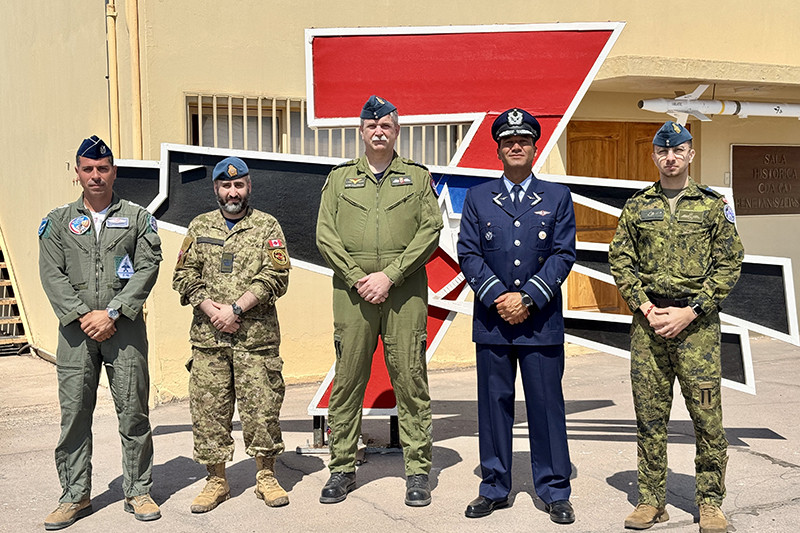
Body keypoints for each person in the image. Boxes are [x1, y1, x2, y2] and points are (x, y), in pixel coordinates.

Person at [609, 121, 744, 533]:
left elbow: (730, 263)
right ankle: (652, 500)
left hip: (697, 329)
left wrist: (692, 311)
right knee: (650, 417)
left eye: (678, 150)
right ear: (655, 156)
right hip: (649, 328)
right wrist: (645, 307)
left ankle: (710, 502)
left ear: (690, 155)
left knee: (706, 416)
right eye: (663, 152)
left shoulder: (712, 205)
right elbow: (620, 259)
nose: (670, 158)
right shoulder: (637, 206)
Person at [315, 95, 443, 506]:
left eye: (386, 125)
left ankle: (418, 471)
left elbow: (430, 231)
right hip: (352, 294)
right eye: (372, 126)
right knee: (349, 380)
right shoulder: (339, 179)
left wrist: (390, 276)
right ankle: (341, 469)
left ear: (397, 130)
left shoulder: (417, 178)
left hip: (404, 292)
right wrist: (358, 279)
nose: (379, 132)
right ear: (361, 131)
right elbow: (325, 235)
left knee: (409, 379)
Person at [457, 108, 577, 524]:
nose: (516, 146)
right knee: (493, 407)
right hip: (493, 322)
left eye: (523, 140)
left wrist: (527, 297)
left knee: (546, 406)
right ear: (498, 149)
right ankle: (493, 486)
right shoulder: (477, 197)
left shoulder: (557, 197)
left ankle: (554, 489)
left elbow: (564, 254)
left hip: (540, 321)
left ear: (534, 147)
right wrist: (498, 298)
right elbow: (468, 254)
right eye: (508, 141)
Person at [38, 136, 163, 529]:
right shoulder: (58, 221)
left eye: (103, 168)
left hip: (123, 329)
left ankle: (138, 490)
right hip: (75, 334)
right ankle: (75, 496)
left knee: (134, 411)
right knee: (74, 414)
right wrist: (82, 316)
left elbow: (147, 267)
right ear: (77, 173)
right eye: (88, 169)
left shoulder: (139, 217)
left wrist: (111, 312)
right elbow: (51, 273)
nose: (96, 175)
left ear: (114, 171)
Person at [172, 156, 291, 512]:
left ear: (249, 187)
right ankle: (216, 480)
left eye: (239, 185)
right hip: (209, 340)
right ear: (216, 189)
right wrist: (213, 311)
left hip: (256, 339)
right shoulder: (199, 226)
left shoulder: (267, 226)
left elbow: (276, 276)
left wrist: (236, 309)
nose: (233, 191)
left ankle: (266, 477)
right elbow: (183, 275)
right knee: (209, 412)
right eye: (226, 185)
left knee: (262, 409)